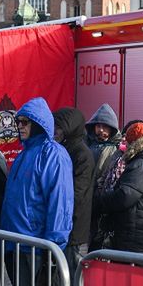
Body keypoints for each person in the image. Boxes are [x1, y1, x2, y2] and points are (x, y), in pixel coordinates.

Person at [0, 97, 74, 286]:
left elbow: (60, 201)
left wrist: (53, 242)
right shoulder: (24, 153)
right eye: (19, 122)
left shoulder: (53, 153)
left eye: (25, 122)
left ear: (39, 123)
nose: (20, 127)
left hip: (38, 243)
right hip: (17, 241)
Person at [94, 121, 143, 254]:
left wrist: (101, 199)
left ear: (135, 143)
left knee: (127, 272)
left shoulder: (140, 165)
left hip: (134, 233)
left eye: (128, 141)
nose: (125, 144)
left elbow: (124, 197)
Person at [53, 107, 95, 271]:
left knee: (74, 277)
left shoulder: (81, 154)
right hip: (62, 226)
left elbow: (78, 193)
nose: (55, 131)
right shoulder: (64, 149)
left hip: (75, 228)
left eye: (59, 127)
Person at [86, 104, 122, 180]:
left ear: (111, 128)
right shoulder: (87, 144)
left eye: (105, 126)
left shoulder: (118, 148)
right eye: (98, 126)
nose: (101, 130)